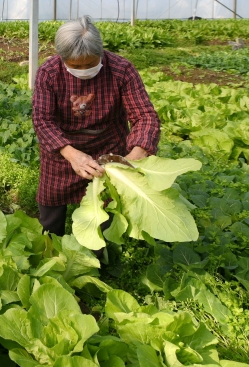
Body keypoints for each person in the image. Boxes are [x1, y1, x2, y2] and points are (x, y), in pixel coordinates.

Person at [31, 16, 160, 237]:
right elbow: (43, 120)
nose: (84, 70)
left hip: (108, 148)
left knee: (105, 208)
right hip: (63, 151)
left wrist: (139, 150)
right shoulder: (49, 73)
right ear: (62, 58)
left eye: (90, 64)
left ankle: (98, 257)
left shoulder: (121, 70)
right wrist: (71, 154)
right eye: (75, 65)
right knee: (51, 206)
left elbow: (144, 115)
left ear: (101, 53)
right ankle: (50, 247)